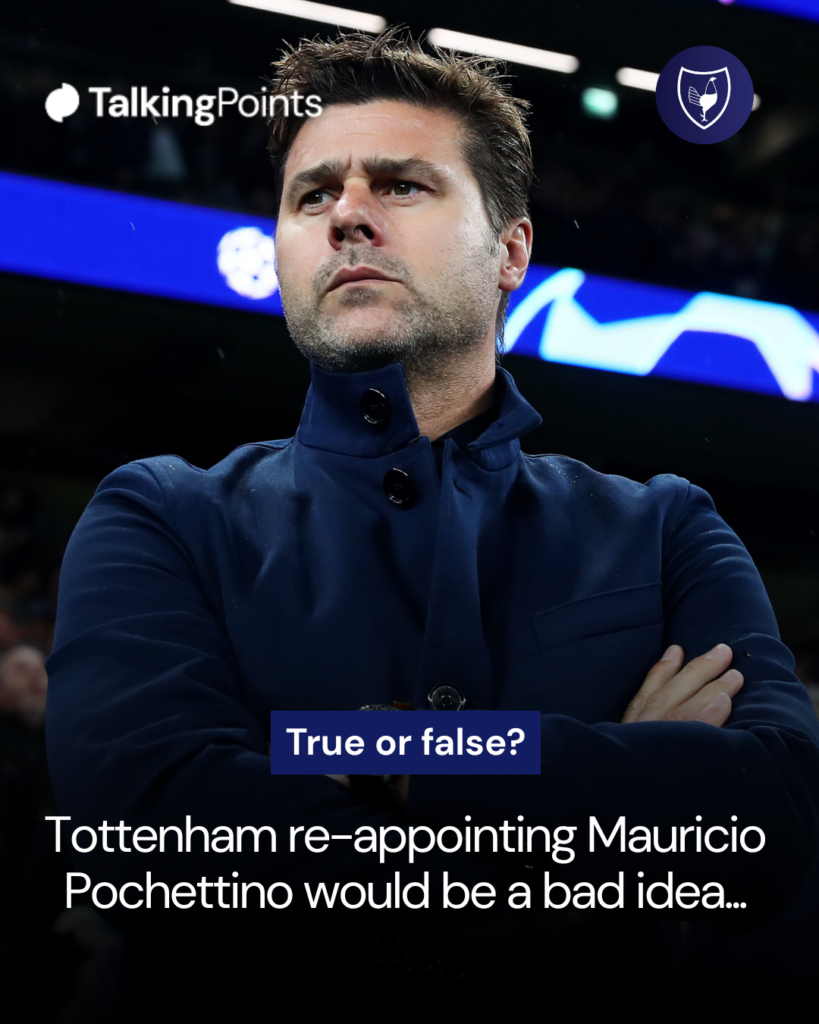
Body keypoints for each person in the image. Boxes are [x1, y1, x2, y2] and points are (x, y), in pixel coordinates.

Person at [45, 28, 819, 1020]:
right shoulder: (160, 513)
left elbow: (770, 827)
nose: (347, 217)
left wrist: (405, 758)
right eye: (312, 194)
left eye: (401, 186)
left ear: (511, 250)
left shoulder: (667, 527)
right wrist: (570, 833)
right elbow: (152, 839)